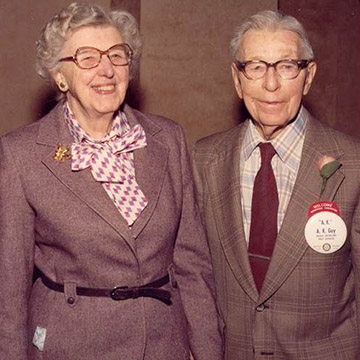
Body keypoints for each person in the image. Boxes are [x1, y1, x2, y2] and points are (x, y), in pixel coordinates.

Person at [0, 3, 223, 359]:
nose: (107, 70)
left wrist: (208, 351)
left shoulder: (167, 138)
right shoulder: (21, 154)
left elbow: (193, 264)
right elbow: (7, 291)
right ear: (60, 75)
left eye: (117, 56)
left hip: (164, 345)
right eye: (87, 57)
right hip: (72, 345)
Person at [192, 10, 360, 360]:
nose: (271, 85)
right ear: (237, 80)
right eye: (255, 67)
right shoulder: (203, 160)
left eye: (286, 66)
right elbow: (193, 278)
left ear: (308, 76)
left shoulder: (353, 164)